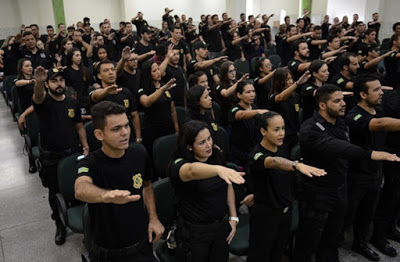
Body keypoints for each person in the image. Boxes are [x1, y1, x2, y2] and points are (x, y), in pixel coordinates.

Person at [294, 84, 400, 262]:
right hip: (317, 193)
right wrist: (371, 154)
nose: (343, 104)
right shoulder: (310, 129)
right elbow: (339, 148)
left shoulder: (340, 121)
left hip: (339, 188)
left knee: (333, 235)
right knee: (309, 238)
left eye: (342, 99)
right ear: (322, 105)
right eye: (337, 101)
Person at [75, 101, 164, 261]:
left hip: (141, 243)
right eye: (116, 129)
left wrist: (153, 218)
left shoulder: (139, 153)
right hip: (108, 251)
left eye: (126, 126)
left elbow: (147, 187)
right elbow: (81, 188)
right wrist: (105, 196)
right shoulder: (90, 163)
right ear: (99, 134)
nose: (125, 133)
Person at [247, 111, 326, 262]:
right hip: (266, 216)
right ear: (263, 131)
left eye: (283, 128)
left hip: (284, 211)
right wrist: (296, 165)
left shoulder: (283, 148)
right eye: (276, 130)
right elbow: (272, 162)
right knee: (260, 254)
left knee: (278, 251)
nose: (281, 133)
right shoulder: (255, 155)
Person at [169, 120, 245, 262]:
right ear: (189, 147)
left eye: (209, 138)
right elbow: (192, 171)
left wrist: (233, 217)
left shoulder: (216, 155)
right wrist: (218, 169)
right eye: (202, 142)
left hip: (221, 226)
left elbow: (227, 185)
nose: (209, 144)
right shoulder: (178, 164)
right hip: (196, 233)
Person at [345, 74, 400, 261]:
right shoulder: (354, 115)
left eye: (381, 88)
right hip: (358, 174)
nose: (381, 92)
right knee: (355, 214)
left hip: (376, 171)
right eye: (375, 90)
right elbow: (379, 125)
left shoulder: (380, 109)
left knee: (375, 208)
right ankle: (352, 243)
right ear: (362, 94)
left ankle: (370, 239)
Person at [32, 66, 89, 245]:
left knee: (79, 186)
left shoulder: (72, 103)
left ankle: (83, 217)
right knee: (55, 191)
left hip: (72, 153)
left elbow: (79, 126)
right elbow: (38, 97)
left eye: (61, 80)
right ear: (48, 84)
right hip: (52, 157)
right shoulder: (44, 102)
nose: (59, 84)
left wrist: (85, 146)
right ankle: (60, 224)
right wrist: (39, 82)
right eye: (54, 81)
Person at [90, 59, 142, 144]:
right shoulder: (99, 94)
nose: (110, 73)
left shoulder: (125, 91)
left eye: (113, 69)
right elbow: (95, 96)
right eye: (106, 70)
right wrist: (106, 91)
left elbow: (134, 115)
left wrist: (138, 137)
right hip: (109, 140)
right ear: (99, 76)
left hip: (127, 137)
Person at [138, 60, 179, 157]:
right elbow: (146, 102)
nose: (158, 72)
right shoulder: (144, 89)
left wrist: (177, 129)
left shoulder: (166, 86)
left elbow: (172, 111)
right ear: (148, 74)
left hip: (168, 128)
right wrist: (162, 89)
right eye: (154, 71)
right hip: (152, 130)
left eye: (158, 69)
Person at [268, 68, 310, 152]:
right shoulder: (273, 97)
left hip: (294, 134)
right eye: (287, 79)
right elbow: (281, 97)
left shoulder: (295, 96)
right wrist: (297, 83)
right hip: (282, 136)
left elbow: (297, 114)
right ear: (278, 81)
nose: (290, 81)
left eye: (291, 78)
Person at [229, 81, 266, 168]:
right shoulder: (234, 109)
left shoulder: (254, 107)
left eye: (253, 91)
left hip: (255, 150)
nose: (252, 95)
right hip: (241, 154)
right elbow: (241, 115)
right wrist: (257, 112)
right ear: (239, 95)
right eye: (248, 92)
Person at [215, 61, 249, 128]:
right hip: (226, 119)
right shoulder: (219, 86)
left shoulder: (236, 83)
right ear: (224, 73)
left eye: (234, 70)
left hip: (239, 114)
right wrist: (239, 82)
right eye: (230, 71)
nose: (233, 73)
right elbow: (226, 93)